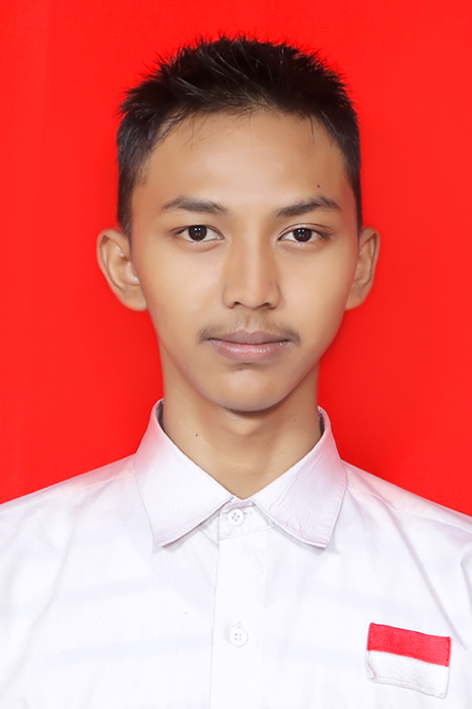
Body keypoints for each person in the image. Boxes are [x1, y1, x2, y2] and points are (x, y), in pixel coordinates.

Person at [0, 36, 471, 709]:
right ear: (125, 265)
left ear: (360, 265)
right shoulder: (12, 575)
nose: (252, 290)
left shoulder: (457, 580)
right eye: (199, 232)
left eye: (301, 234)